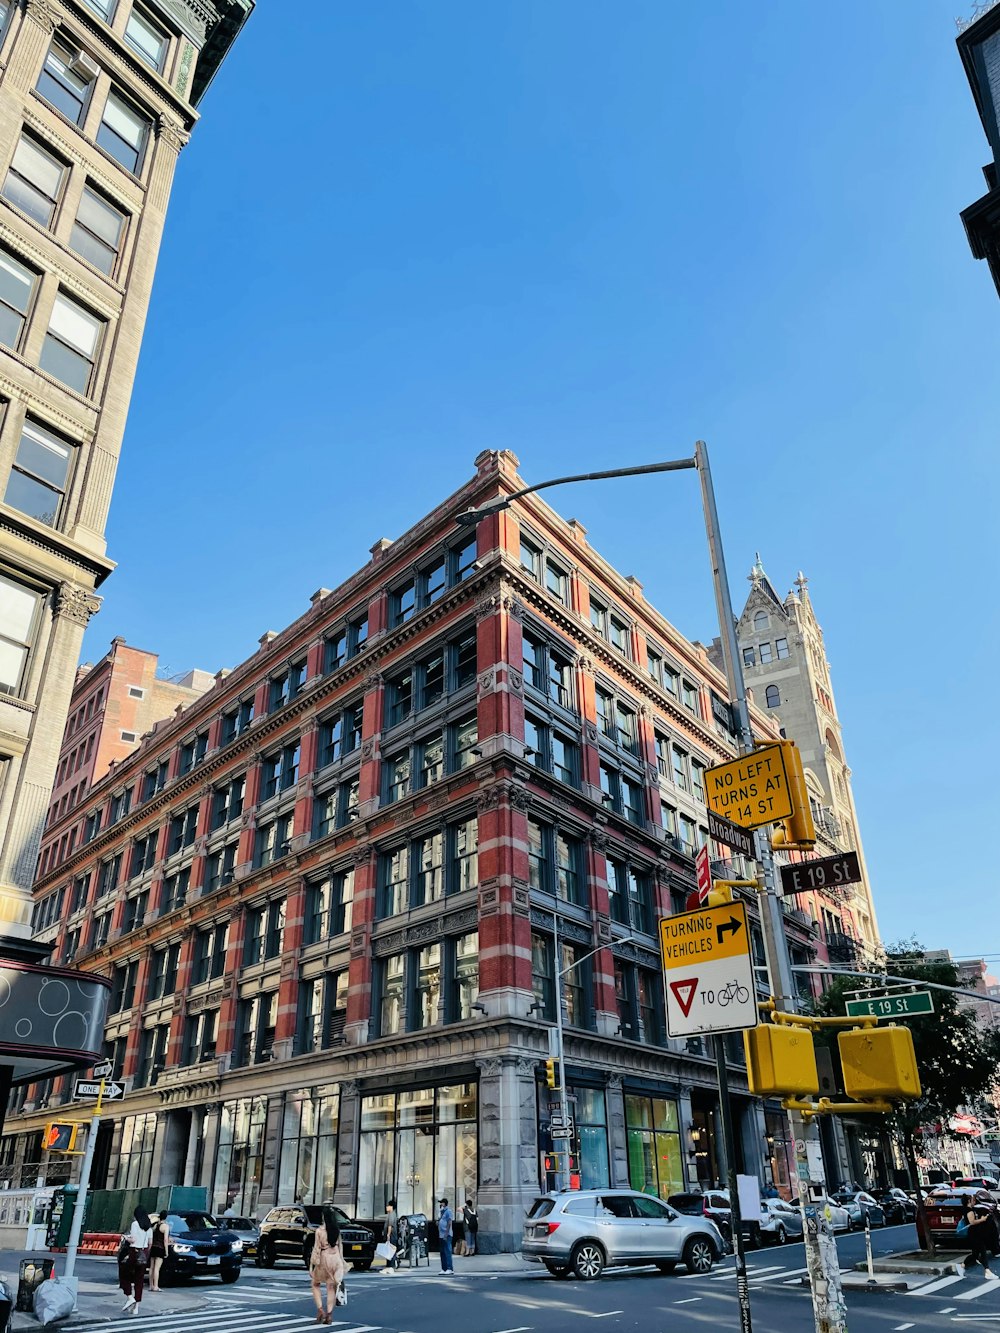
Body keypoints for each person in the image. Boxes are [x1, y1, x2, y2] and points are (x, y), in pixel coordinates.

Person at [310, 1205, 346, 1323]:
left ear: (323, 1217)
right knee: (331, 1287)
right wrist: (341, 1262)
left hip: (324, 1257)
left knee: (315, 1283)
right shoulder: (336, 1229)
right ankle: (329, 1314)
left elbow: (316, 1249)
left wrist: (312, 1265)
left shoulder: (320, 1231)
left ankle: (320, 1309)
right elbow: (340, 1246)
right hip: (336, 1258)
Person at [119, 1206, 152, 1315]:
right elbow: (150, 1243)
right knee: (139, 1280)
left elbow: (133, 1240)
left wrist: (125, 1237)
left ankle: (129, 1296)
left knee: (124, 1275)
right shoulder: (149, 1227)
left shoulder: (135, 1224)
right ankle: (136, 1307)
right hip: (143, 1254)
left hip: (133, 1252)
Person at [962, 1195, 998, 1279]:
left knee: (975, 1254)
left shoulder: (968, 1209)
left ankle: (963, 1265)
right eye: (972, 1200)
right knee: (983, 1251)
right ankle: (987, 1271)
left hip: (974, 1234)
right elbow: (972, 1222)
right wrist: (982, 1219)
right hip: (974, 1234)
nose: (973, 1201)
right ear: (968, 1201)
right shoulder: (969, 1210)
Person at [148, 1213, 170, 1292]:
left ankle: (151, 1285)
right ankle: (156, 1286)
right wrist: (166, 1251)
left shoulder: (155, 1226)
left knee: (151, 1267)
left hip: (153, 1247)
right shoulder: (165, 1226)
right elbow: (165, 1239)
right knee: (157, 1268)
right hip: (160, 1248)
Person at [381, 1199, 400, 1275]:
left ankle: (391, 1267)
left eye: (388, 1205)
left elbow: (390, 1225)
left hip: (391, 1236)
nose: (386, 1207)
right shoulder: (391, 1214)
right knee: (388, 1252)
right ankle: (388, 1267)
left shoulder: (392, 1214)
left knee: (390, 1251)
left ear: (391, 1207)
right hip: (391, 1236)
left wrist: (388, 1235)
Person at [437, 1197, 454, 1274]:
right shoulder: (441, 1212)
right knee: (442, 1252)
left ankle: (449, 1268)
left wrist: (446, 1233)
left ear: (444, 1203)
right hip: (441, 1234)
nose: (440, 1204)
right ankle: (444, 1268)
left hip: (446, 1234)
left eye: (441, 1203)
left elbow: (449, 1222)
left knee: (447, 1251)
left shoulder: (448, 1211)